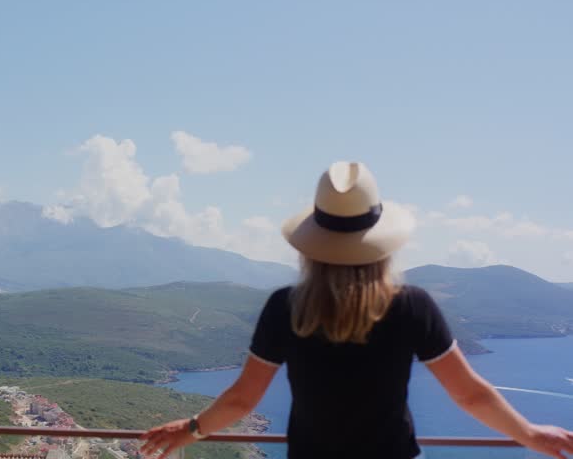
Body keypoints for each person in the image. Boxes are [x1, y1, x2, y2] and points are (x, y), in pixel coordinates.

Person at [140, 162, 573, 459]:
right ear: (378, 239)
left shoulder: (285, 308)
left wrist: (191, 429)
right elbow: (470, 394)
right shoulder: (410, 307)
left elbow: (242, 398)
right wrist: (530, 435)